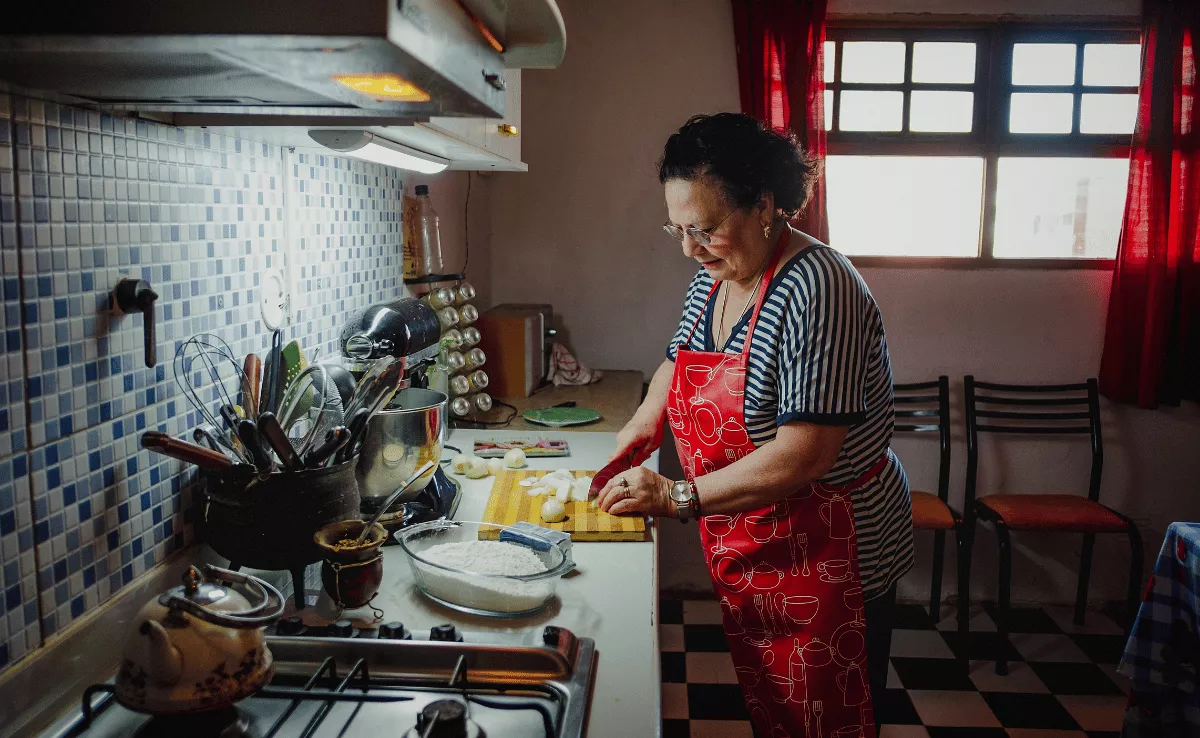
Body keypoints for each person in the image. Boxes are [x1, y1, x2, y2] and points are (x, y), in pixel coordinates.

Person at [594, 113, 914, 738]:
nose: (689, 248)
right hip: (754, 535)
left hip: (833, 552)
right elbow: (677, 362)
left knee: (832, 718)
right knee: (778, 707)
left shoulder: (821, 288)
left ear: (764, 206)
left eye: (705, 229)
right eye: (678, 229)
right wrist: (642, 422)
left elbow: (805, 454)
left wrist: (676, 494)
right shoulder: (714, 278)